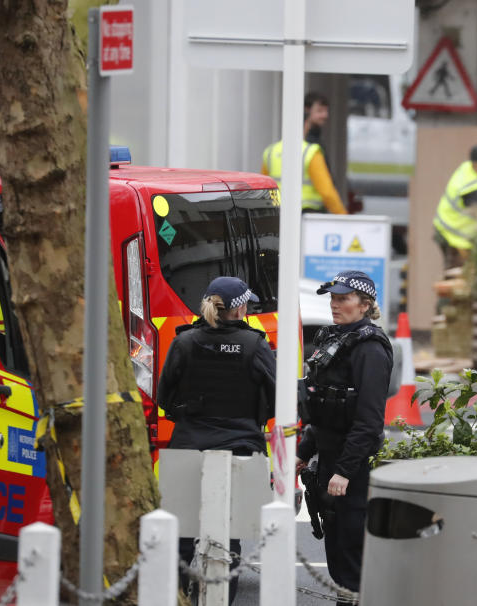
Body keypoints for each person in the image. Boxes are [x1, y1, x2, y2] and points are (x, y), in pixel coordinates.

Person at [155, 276, 276, 603]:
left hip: (187, 449)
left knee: (181, 539)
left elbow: (163, 397)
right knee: (228, 541)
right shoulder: (255, 345)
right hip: (241, 451)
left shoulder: (184, 342)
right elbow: (277, 398)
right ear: (239, 309)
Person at [295, 270, 393, 601]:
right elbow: (321, 410)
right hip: (330, 460)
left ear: (364, 305)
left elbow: (368, 421)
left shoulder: (370, 349)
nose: (335, 305)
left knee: (352, 555)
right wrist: (304, 451)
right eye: (333, 298)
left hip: (353, 468)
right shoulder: (333, 339)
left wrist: (344, 470)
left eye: (343, 299)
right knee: (336, 553)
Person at [262, 92, 347, 214]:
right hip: (307, 215)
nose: (325, 115)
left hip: (278, 214)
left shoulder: (270, 151)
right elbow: (327, 192)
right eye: (319, 111)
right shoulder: (310, 151)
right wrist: (344, 218)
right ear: (306, 117)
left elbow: (263, 189)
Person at [433, 144, 477, 268]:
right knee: (457, 276)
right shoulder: (471, 187)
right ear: (476, 165)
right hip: (452, 235)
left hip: (457, 235)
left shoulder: (473, 171)